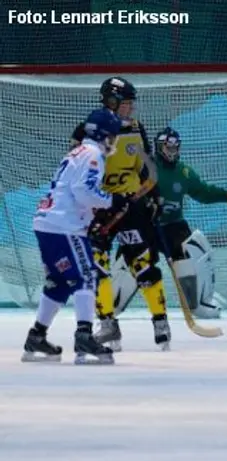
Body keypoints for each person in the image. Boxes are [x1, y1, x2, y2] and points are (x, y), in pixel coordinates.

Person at [22, 108, 127, 365]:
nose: (114, 141)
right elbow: (83, 191)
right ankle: (84, 335)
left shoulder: (77, 151)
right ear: (103, 134)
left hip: (47, 223)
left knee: (58, 282)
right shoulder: (93, 155)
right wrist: (111, 201)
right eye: (112, 135)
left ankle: (37, 336)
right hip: (63, 226)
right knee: (87, 276)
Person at [71, 77, 167, 351]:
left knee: (142, 262)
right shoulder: (87, 130)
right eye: (125, 104)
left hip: (131, 204)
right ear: (110, 103)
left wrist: (155, 196)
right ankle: (108, 324)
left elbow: (146, 166)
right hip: (101, 207)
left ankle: (160, 323)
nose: (130, 109)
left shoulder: (137, 128)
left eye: (130, 104)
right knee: (96, 264)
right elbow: (77, 169)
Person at [154, 127, 227, 319]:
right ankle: (109, 305)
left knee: (193, 251)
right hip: (148, 225)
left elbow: (204, 192)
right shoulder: (146, 168)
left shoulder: (184, 172)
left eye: (175, 147)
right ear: (158, 147)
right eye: (168, 147)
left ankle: (197, 302)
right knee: (133, 262)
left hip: (173, 225)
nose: (172, 152)